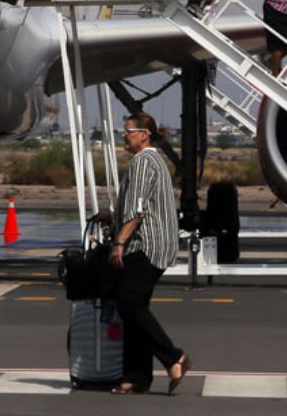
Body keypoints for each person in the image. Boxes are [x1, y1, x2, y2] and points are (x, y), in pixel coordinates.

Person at [110, 112, 191, 395]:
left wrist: (119, 241)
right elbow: (142, 203)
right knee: (133, 309)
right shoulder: (156, 160)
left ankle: (173, 357)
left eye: (128, 131)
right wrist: (111, 215)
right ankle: (137, 377)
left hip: (146, 245)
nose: (124, 136)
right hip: (157, 243)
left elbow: (139, 208)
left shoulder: (143, 161)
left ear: (144, 134)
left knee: (129, 304)